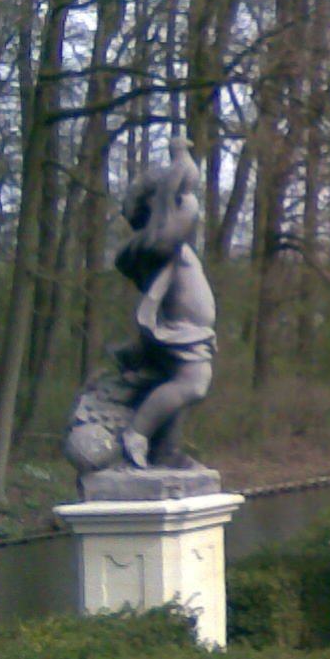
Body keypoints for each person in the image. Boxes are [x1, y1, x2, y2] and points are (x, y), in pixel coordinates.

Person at [113, 138, 217, 468]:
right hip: (179, 331)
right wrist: (180, 161)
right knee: (194, 384)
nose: (185, 202)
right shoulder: (154, 244)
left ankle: (165, 452)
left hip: (189, 330)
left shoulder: (159, 244)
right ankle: (136, 433)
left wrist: (177, 176)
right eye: (176, 199)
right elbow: (177, 218)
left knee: (172, 384)